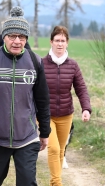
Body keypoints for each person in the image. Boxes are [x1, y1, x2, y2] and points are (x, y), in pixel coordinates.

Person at [0, 6, 51, 186]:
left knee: (28, 182)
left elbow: (42, 100)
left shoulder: (35, 62)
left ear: (26, 38)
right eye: (12, 36)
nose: (17, 41)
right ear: (4, 36)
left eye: (21, 37)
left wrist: (44, 131)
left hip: (27, 137)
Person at [42, 25, 91, 186]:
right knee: (54, 149)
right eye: (57, 40)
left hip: (66, 115)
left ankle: (56, 180)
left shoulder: (73, 65)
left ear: (67, 43)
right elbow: (32, 89)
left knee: (61, 150)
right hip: (45, 115)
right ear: (51, 42)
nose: (60, 44)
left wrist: (86, 108)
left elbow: (81, 88)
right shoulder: (41, 64)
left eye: (63, 41)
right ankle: (56, 183)